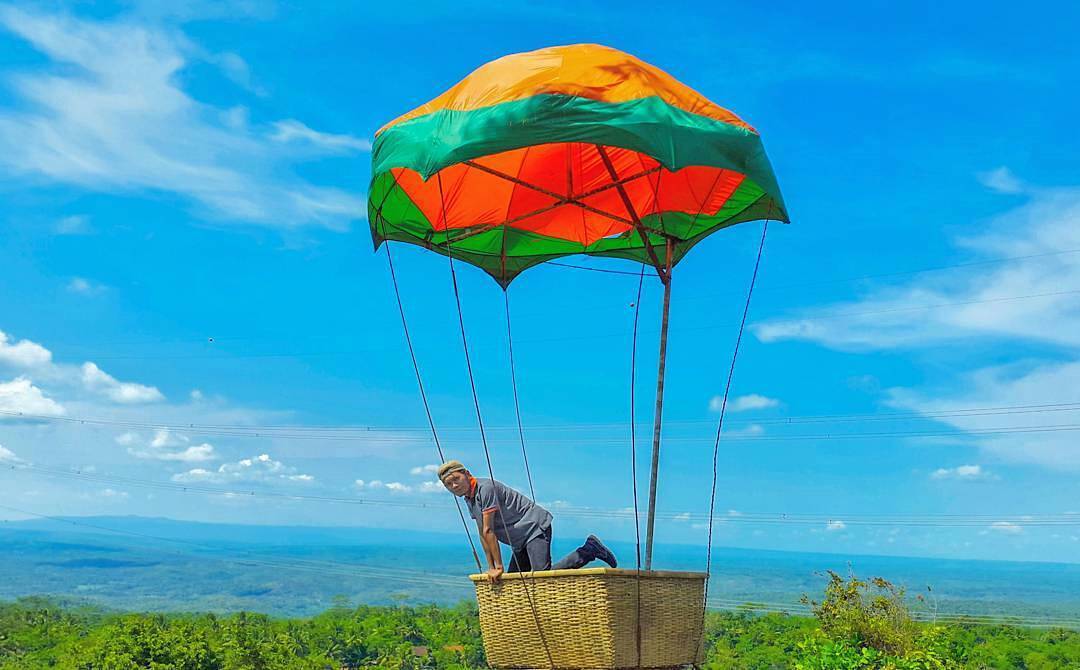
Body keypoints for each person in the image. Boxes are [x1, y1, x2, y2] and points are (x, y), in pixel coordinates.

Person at [438, 460, 617, 581]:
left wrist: (498, 566)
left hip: (533, 527)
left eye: (456, 479)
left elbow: (488, 530)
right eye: (448, 484)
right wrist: (490, 566)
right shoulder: (469, 498)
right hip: (519, 539)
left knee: (541, 578)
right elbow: (482, 533)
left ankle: (588, 550)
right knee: (514, 582)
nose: (454, 486)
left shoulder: (485, 488)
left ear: (467, 474)